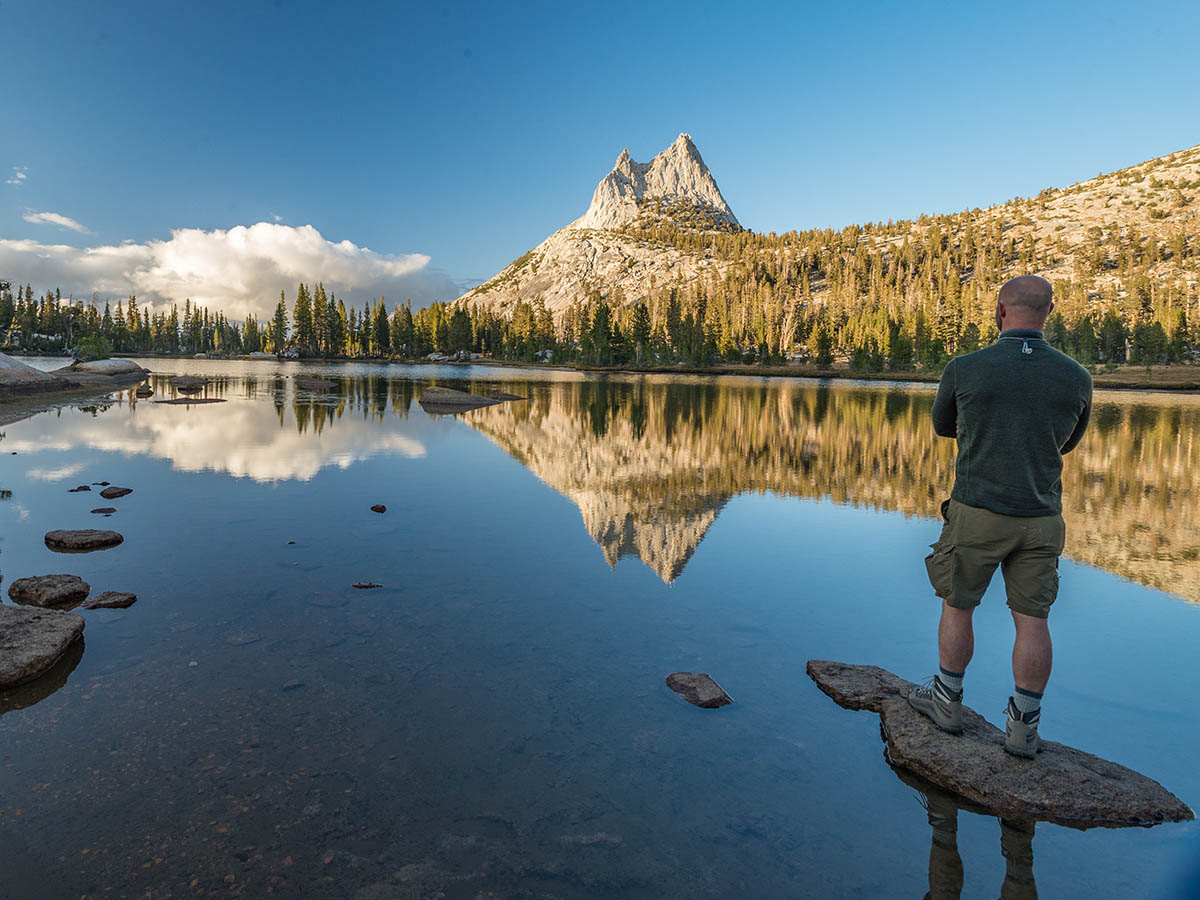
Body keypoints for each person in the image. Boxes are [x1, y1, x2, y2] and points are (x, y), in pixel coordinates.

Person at [907, 275, 1092, 759]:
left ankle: (947, 703)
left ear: (1000, 311)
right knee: (1033, 621)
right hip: (1041, 517)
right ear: (1048, 312)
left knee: (957, 604)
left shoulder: (966, 369)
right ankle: (1023, 730)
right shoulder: (1076, 376)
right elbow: (1067, 442)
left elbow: (943, 426)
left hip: (977, 511)